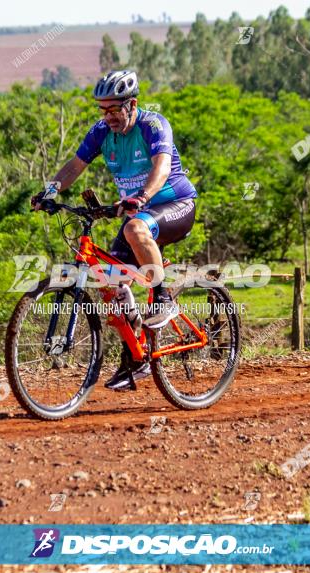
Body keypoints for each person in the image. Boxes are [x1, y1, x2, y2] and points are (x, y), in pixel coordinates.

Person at [31, 70, 198, 390]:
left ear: (131, 104)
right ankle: (135, 357)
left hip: (174, 203)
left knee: (135, 228)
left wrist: (144, 196)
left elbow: (162, 166)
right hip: (138, 212)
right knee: (111, 279)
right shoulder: (100, 132)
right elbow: (73, 167)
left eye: (113, 109)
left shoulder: (153, 125)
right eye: (102, 110)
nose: (107, 116)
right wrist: (49, 193)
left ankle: (163, 298)